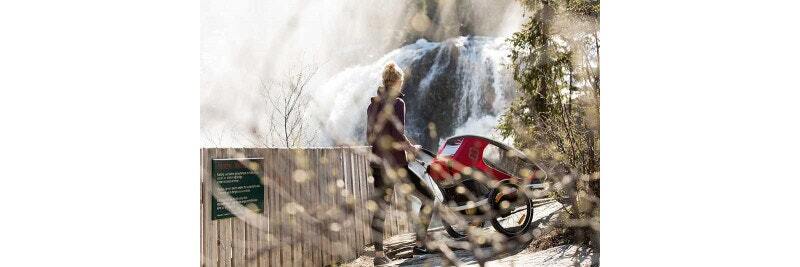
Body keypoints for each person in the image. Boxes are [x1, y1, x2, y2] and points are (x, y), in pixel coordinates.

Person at [367, 62, 436, 265]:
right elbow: (397, 135)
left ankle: (378, 256)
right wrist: (411, 149)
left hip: (378, 163)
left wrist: (406, 145)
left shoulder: (372, 105)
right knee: (428, 198)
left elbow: (370, 137)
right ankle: (420, 244)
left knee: (380, 209)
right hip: (396, 165)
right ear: (398, 81)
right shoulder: (397, 103)